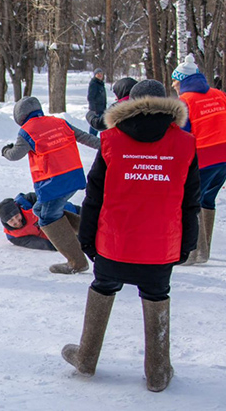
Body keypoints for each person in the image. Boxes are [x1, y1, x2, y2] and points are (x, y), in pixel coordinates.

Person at [63, 80, 200, 392]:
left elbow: (94, 195)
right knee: (156, 294)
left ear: (128, 104)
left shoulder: (111, 140)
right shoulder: (185, 143)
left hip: (114, 243)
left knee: (103, 286)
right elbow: (191, 201)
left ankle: (86, 356)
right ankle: (158, 371)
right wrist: (187, 244)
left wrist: (86, 237)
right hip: (160, 247)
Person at [2, 96, 100, 274]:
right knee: (39, 210)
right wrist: (109, 146)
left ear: (20, 117)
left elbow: (15, 155)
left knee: (47, 218)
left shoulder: (26, 131)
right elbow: (86, 138)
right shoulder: (60, 122)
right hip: (73, 177)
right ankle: (95, 233)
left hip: (52, 183)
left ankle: (77, 261)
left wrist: (5, 151)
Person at [171, 54, 226, 265]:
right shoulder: (219, 95)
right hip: (224, 157)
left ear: (183, 81)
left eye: (176, 83)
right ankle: (204, 252)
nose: (174, 87)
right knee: (208, 199)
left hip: (203, 158)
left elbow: (181, 136)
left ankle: (193, 253)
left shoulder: (185, 102)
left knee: (191, 201)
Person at [0, 192, 81, 251]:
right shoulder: (13, 236)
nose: (17, 222)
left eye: (17, 216)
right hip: (60, 234)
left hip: (71, 212)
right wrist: (60, 245)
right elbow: (38, 243)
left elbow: (53, 203)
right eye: (11, 221)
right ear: (5, 223)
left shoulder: (28, 201)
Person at [86, 68, 107, 136]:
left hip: (102, 109)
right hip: (96, 109)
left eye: (101, 73)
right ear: (95, 75)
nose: (100, 75)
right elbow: (90, 97)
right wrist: (93, 109)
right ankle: (91, 138)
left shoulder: (101, 84)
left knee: (101, 125)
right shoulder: (94, 84)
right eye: (98, 74)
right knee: (95, 125)